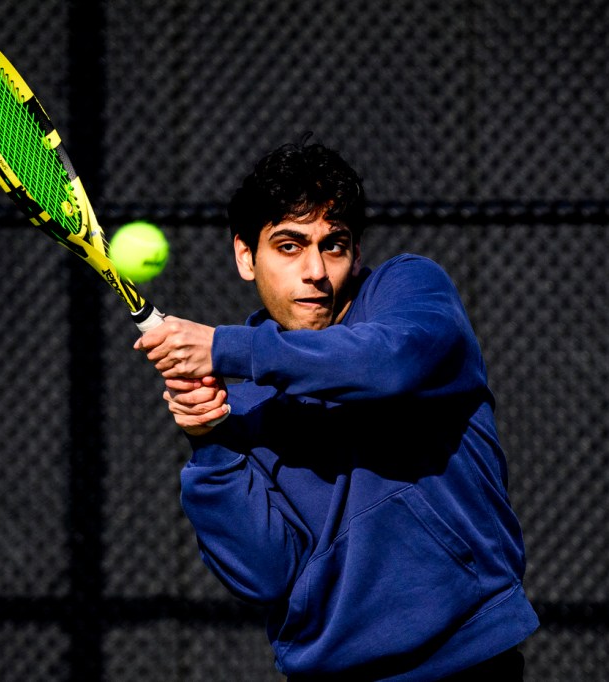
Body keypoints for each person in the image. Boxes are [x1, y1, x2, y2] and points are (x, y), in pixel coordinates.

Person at [134, 140, 539, 680]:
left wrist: (228, 349)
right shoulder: (241, 403)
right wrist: (210, 442)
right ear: (245, 256)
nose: (315, 270)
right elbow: (266, 576)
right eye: (289, 245)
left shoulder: (408, 290)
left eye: (334, 245)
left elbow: (391, 363)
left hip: (471, 659)